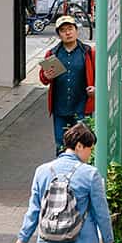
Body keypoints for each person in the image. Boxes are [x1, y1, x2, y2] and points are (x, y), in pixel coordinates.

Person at [39, 15, 96, 155]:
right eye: (63, 30)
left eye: (70, 29)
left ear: (76, 31)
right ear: (59, 34)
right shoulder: (52, 54)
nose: (68, 33)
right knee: (61, 145)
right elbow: (43, 78)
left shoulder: (88, 52)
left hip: (82, 107)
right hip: (60, 109)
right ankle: (62, 175)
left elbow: (99, 76)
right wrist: (46, 76)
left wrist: (95, 90)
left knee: (83, 144)